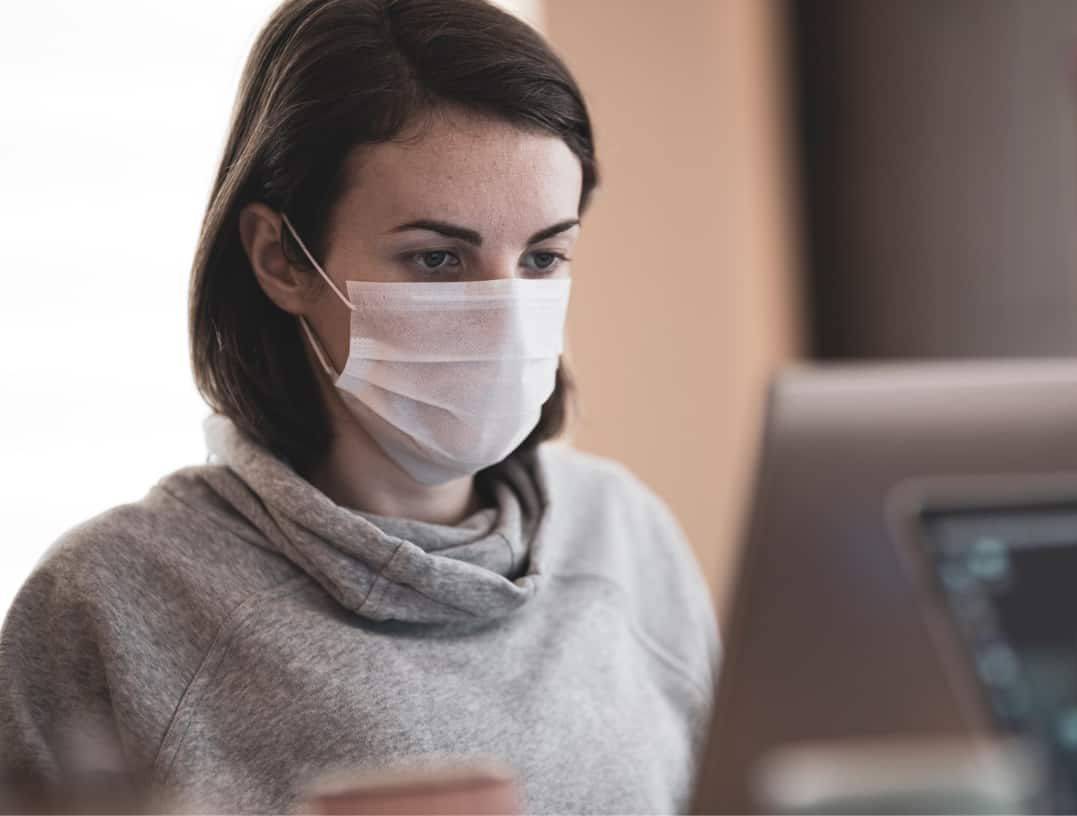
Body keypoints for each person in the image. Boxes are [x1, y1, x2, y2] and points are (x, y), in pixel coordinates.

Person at [0, 1, 719, 812]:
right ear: (281, 259)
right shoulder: (110, 602)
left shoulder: (627, 538)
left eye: (544, 256)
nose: (506, 314)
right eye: (437, 258)